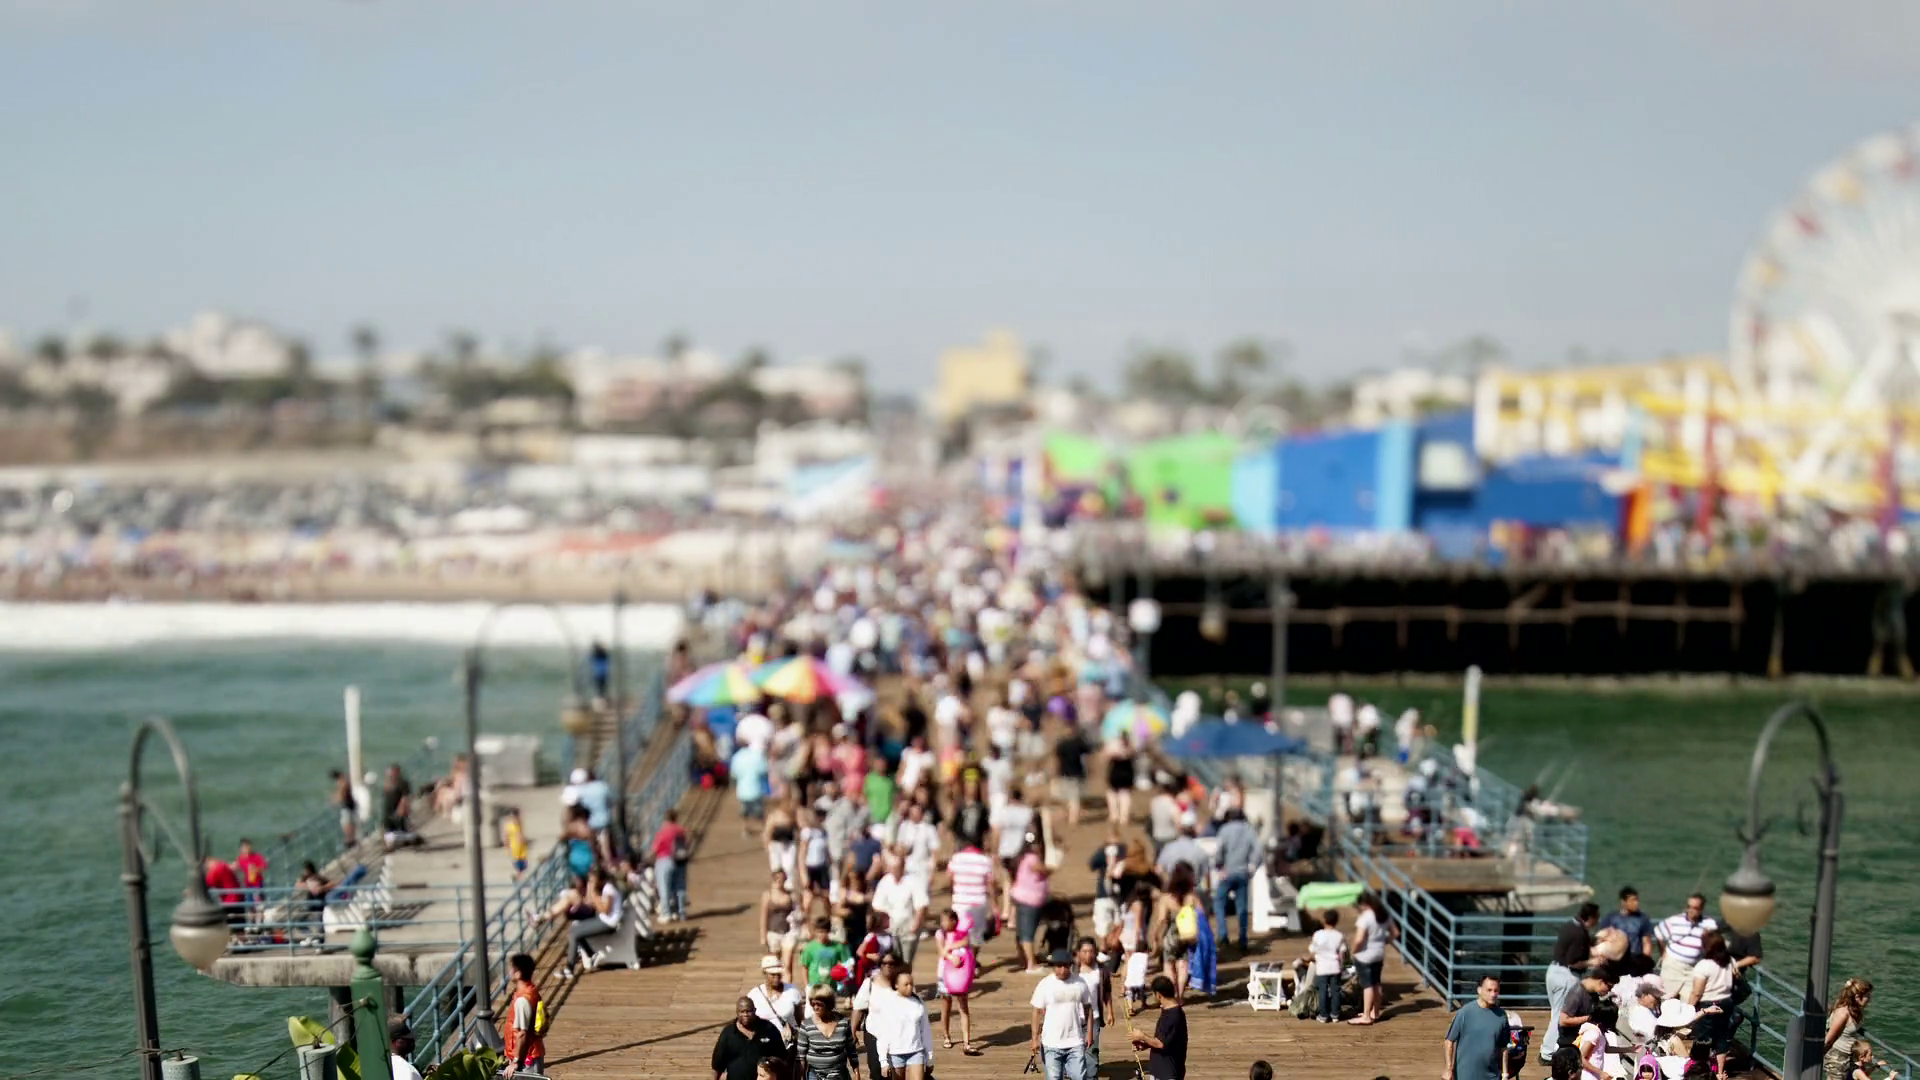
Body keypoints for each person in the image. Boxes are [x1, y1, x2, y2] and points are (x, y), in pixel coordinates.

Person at [1544, 902, 1599, 1061]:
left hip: (1553, 971)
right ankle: (1548, 1052)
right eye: (1596, 918)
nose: (1597, 921)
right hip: (1566, 976)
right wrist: (1592, 962)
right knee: (1561, 1015)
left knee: (1555, 1012)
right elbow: (1573, 962)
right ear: (1590, 918)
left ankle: (1549, 1049)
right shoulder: (1579, 933)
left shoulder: (1570, 925)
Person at [1031, 948, 1095, 1080]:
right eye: (1059, 966)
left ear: (1070, 966)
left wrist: (1089, 1033)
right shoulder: (1045, 984)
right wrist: (1035, 1039)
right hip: (1051, 1042)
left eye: (1066, 966)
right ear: (1053, 966)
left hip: (1075, 1041)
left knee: (1079, 1076)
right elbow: (1036, 1012)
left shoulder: (1080, 983)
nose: (1062, 970)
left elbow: (1088, 1008)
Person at [1683, 931, 1735, 1078]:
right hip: (1726, 1002)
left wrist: (1688, 1010)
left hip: (1708, 1003)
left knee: (1703, 1039)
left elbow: (1697, 992)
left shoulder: (1704, 965)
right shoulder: (1729, 961)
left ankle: (1701, 1070)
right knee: (1721, 1037)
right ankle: (1720, 1072)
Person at [1211, 808, 1259, 955]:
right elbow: (1258, 850)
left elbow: (1219, 851)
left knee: (1219, 903)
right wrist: (1252, 867)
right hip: (1243, 872)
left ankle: (1223, 935)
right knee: (1242, 907)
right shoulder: (1249, 830)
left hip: (1227, 872)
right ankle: (1243, 938)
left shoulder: (1224, 830)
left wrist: (1219, 866)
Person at [561, 865, 623, 978]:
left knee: (574, 934)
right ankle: (591, 955)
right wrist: (592, 894)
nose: (591, 880)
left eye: (592, 878)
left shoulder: (609, 889)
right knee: (574, 929)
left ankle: (570, 968)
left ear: (598, 878)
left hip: (609, 923)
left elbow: (605, 910)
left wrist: (594, 894)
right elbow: (591, 903)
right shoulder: (606, 887)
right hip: (604, 919)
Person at [1444, 974, 1509, 1080]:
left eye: (1496, 991)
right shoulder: (1465, 1013)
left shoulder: (1502, 1016)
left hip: (1491, 1076)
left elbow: (1503, 1048)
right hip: (1464, 1076)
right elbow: (1449, 1041)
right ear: (1479, 990)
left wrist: (1505, 1074)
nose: (1493, 994)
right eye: (1489, 990)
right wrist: (1448, 1069)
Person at [872, 967, 933, 1080]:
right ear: (896, 985)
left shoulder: (919, 1003)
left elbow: (925, 1031)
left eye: (911, 984)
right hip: (895, 1053)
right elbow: (883, 1034)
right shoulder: (887, 1004)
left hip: (916, 1051)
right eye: (906, 984)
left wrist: (929, 1056)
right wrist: (883, 1061)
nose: (910, 987)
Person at [1654, 894, 1717, 1003]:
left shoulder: (1709, 924)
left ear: (1701, 909)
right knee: (1667, 1001)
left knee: (1689, 1003)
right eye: (1689, 907)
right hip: (1673, 966)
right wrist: (1663, 953)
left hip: (1693, 969)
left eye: (1695, 908)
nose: (1691, 910)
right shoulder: (1675, 920)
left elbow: (1716, 943)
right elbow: (1658, 932)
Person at [934, 910, 979, 1055]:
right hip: (944, 973)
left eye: (945, 920)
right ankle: (946, 1035)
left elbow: (967, 942)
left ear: (954, 921)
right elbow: (941, 951)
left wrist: (950, 947)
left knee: (963, 1006)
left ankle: (967, 1041)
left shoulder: (962, 933)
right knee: (946, 1005)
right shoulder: (940, 934)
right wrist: (950, 956)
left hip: (961, 974)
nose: (942, 923)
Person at [795, 984, 861, 1080]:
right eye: (813, 1004)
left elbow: (851, 1051)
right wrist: (801, 1076)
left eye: (819, 1004)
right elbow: (801, 1056)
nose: (815, 1007)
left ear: (828, 1004)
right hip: (815, 1075)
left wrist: (857, 1073)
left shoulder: (843, 1023)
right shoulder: (807, 1025)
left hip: (839, 1074)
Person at [714, 995, 788, 1080]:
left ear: (755, 1010)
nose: (745, 1015)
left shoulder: (769, 1029)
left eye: (749, 1011)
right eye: (742, 1012)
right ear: (737, 1012)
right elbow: (717, 1065)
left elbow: (782, 1059)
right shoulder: (728, 1033)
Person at [943, 837, 996, 954]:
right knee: (976, 935)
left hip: (960, 902)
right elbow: (991, 884)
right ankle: (972, 959)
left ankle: (960, 957)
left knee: (959, 932)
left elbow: (949, 877)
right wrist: (995, 905)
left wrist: (953, 889)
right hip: (978, 903)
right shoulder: (985, 860)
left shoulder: (956, 859)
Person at [873, 857, 929, 967]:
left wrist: (916, 924)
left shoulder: (913, 881)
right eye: (892, 868)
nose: (894, 871)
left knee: (906, 961)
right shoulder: (885, 881)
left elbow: (921, 905)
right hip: (890, 927)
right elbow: (877, 905)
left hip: (908, 926)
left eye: (897, 868)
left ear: (903, 867)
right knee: (892, 960)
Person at [1130, 974, 1187, 1080]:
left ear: (1158, 995)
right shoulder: (1168, 1011)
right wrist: (1145, 1044)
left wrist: (1142, 1036)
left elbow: (1161, 1043)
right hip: (1159, 1070)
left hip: (1168, 1073)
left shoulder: (1173, 1015)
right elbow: (1166, 1040)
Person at [1010, 833, 1053, 974]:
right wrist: (1053, 867)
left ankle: (1024, 959)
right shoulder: (1032, 858)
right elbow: (1042, 869)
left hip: (1023, 898)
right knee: (1027, 933)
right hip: (1029, 900)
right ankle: (1031, 964)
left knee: (1022, 932)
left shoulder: (1021, 858)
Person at [1350, 892, 1395, 1025]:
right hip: (1379, 953)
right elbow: (1395, 933)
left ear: (1364, 904)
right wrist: (1383, 941)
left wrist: (1354, 950)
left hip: (1366, 955)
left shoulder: (1365, 917)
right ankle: (1375, 1012)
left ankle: (1366, 1016)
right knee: (1376, 983)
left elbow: (1359, 939)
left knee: (1368, 985)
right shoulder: (1383, 914)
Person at [1075, 936, 1114, 1080]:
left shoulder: (1101, 970)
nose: (1088, 955)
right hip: (1073, 1017)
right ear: (1078, 953)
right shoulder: (1072, 970)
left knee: (1092, 1050)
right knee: (1075, 1050)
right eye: (1084, 951)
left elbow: (1107, 992)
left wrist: (1110, 1011)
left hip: (1095, 1016)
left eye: (1091, 951)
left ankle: (1091, 1076)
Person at [503, 953, 545, 1076]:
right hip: (531, 1054)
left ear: (518, 973)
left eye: (512, 968)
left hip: (526, 1060)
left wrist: (516, 1061)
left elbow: (522, 1034)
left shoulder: (522, 1000)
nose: (509, 971)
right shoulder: (532, 991)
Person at [1824, 978, 1874, 1080]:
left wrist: (1851, 985)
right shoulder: (1843, 1013)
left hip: (1848, 1057)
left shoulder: (1856, 1010)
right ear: (1857, 997)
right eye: (1867, 996)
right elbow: (1829, 1040)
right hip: (1836, 1057)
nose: (1869, 999)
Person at [750, 953, 806, 1043]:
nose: (776, 978)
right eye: (772, 975)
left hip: (786, 1042)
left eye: (779, 974)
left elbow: (800, 1019)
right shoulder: (754, 994)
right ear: (764, 973)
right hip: (762, 1042)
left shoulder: (792, 991)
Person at [1304, 909, 1347, 1023]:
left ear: (1324, 920)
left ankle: (1323, 1015)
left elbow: (1313, 951)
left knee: (1322, 990)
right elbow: (1342, 953)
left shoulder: (1318, 935)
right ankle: (1335, 1014)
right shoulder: (1339, 935)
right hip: (1335, 966)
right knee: (1335, 991)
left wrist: (1307, 959)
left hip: (1322, 966)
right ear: (1336, 921)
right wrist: (1342, 965)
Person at [760, 872, 801, 983]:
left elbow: (799, 911)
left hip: (788, 932)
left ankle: (787, 985)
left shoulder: (790, 895)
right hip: (773, 932)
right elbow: (764, 916)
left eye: (782, 878)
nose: (779, 881)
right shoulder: (768, 895)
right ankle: (775, 985)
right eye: (777, 878)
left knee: (787, 964)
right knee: (774, 964)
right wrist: (763, 936)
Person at [652, 808, 691, 921]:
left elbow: (655, 848)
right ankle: (680, 912)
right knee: (680, 887)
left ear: (665, 819)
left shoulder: (663, 831)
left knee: (664, 888)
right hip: (680, 860)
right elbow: (688, 843)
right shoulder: (681, 830)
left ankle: (666, 913)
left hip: (664, 860)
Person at [1600, 886, 1656, 958]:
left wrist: (1646, 960)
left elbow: (1647, 942)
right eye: (1633, 900)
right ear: (1623, 902)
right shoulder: (1611, 918)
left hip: (1635, 958)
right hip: (1616, 959)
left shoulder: (1643, 919)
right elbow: (1603, 939)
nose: (1636, 903)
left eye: (1637, 900)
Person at [801, 918, 853, 990]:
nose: (822, 935)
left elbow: (847, 964)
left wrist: (842, 978)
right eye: (819, 932)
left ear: (829, 931)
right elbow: (804, 967)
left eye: (824, 932)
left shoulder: (837, 947)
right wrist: (807, 986)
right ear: (815, 932)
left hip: (832, 986)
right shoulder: (810, 947)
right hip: (815, 986)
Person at [734, 739, 773, 835]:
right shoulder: (756, 756)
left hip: (742, 789)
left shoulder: (736, 757)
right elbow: (764, 769)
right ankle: (764, 829)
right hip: (756, 788)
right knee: (759, 811)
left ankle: (745, 829)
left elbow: (734, 773)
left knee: (745, 811)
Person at [1052, 725, 1088, 827]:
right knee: (1074, 798)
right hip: (1077, 773)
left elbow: (1056, 759)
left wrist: (1055, 773)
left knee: (1068, 798)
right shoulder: (1079, 743)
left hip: (1065, 773)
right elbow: (1087, 754)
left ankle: (1072, 819)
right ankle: (1072, 818)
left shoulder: (1062, 744)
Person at [1105, 734, 1136, 825]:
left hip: (1115, 773)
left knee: (1112, 794)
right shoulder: (1131, 749)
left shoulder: (1115, 749)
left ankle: (1114, 815)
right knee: (1125, 795)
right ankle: (1124, 817)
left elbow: (1106, 756)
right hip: (1127, 773)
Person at [332, 770, 359, 848]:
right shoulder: (346, 783)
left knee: (346, 824)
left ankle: (350, 840)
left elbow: (342, 796)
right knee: (350, 823)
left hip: (346, 807)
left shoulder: (343, 784)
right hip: (351, 806)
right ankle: (352, 839)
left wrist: (335, 800)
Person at [503, 807, 530, 882]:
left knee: (522, 864)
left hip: (518, 846)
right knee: (520, 864)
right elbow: (508, 836)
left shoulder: (514, 824)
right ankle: (518, 877)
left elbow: (508, 836)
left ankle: (518, 876)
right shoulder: (513, 824)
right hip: (516, 846)